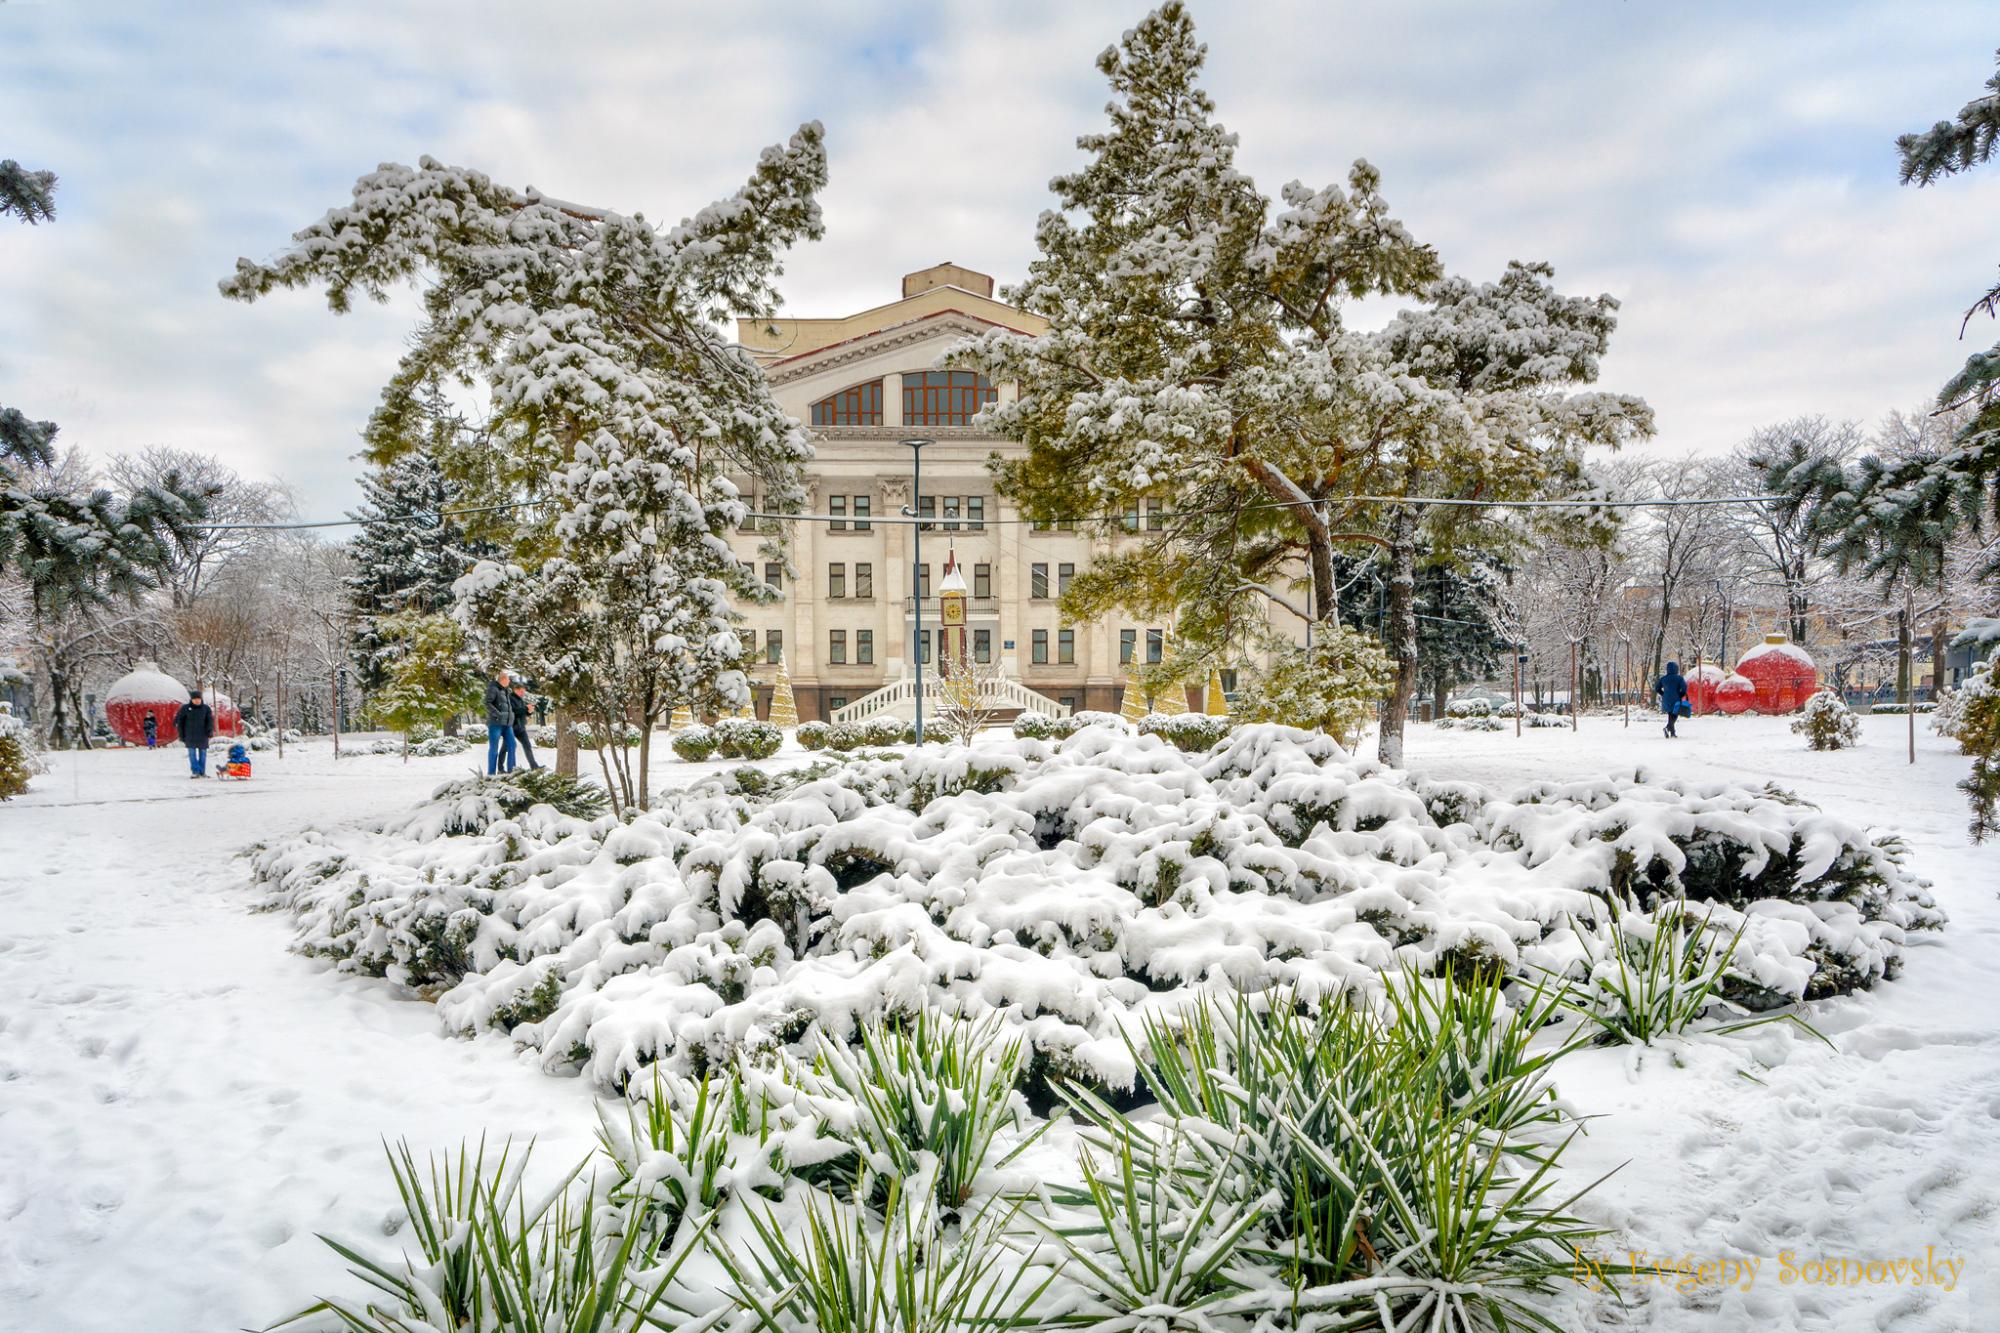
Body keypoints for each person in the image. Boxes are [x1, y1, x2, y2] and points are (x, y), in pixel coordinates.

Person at [174, 689, 217, 778]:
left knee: (203, 754)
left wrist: (209, 731)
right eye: (195, 699)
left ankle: (202, 771)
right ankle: (195, 771)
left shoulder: (206, 708)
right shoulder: (185, 708)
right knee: (192, 754)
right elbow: (180, 721)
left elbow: (210, 721)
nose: (197, 700)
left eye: (198, 699)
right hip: (190, 735)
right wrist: (181, 734)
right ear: (191, 699)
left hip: (203, 735)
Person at [484, 670, 517, 775]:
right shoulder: (493, 689)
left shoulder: (507, 690)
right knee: (494, 748)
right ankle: (491, 773)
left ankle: (512, 772)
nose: (509, 681)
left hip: (507, 725)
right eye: (508, 679)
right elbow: (487, 703)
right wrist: (498, 714)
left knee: (512, 745)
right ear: (503, 679)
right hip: (495, 724)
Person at [510, 682, 541, 771]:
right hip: (511, 728)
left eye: (524, 692)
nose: (523, 693)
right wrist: (526, 708)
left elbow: (522, 712)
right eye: (521, 691)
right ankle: (503, 767)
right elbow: (513, 711)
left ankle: (534, 766)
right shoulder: (510, 698)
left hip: (521, 728)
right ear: (515, 690)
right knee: (506, 748)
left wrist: (529, 711)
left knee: (527, 746)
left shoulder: (520, 699)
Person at [1655, 660, 1689, 739]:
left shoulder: (1663, 678)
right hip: (1676, 699)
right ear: (1676, 669)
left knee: (1670, 714)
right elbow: (1684, 688)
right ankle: (1667, 728)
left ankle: (1673, 733)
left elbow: (1657, 688)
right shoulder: (1679, 678)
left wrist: (1663, 694)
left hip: (1666, 699)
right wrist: (1681, 694)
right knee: (1675, 715)